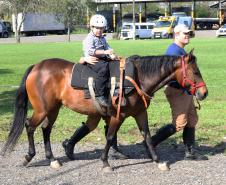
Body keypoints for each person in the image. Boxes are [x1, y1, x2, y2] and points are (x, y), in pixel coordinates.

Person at [150, 24, 208, 160]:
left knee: (192, 120)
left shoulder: (181, 51)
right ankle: (151, 143)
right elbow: (167, 75)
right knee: (179, 123)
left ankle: (190, 152)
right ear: (176, 35)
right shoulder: (173, 52)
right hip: (176, 91)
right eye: (184, 33)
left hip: (185, 92)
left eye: (188, 33)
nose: (187, 35)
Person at [82, 14, 116, 107]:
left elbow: (107, 46)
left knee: (115, 65)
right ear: (92, 27)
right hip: (92, 59)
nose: (99, 30)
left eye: (101, 28)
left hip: (102, 57)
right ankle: (99, 94)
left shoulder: (102, 38)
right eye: (97, 28)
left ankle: (113, 90)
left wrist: (111, 54)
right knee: (103, 69)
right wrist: (105, 52)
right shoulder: (89, 38)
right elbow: (90, 51)